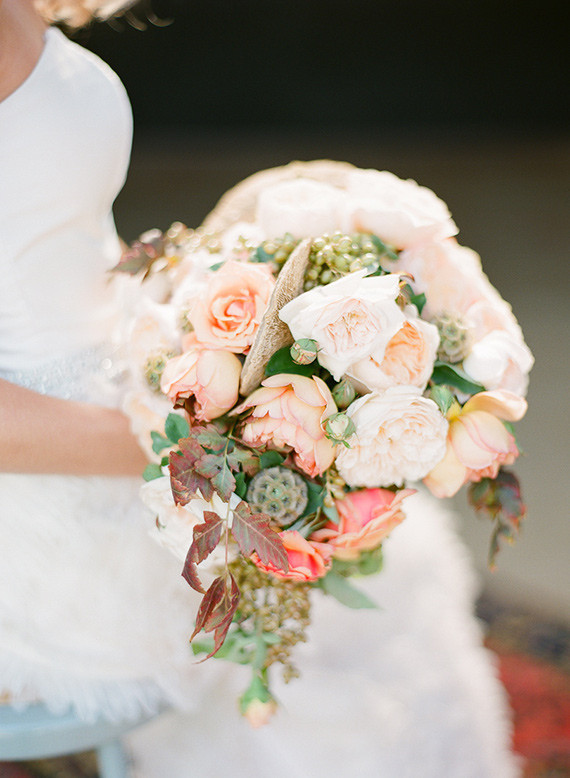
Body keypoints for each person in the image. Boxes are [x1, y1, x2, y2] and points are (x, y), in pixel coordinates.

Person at [0, 2, 522, 776]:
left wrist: (192, 304)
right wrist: (177, 446)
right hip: (42, 472)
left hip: (114, 383)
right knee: (332, 602)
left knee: (370, 558)